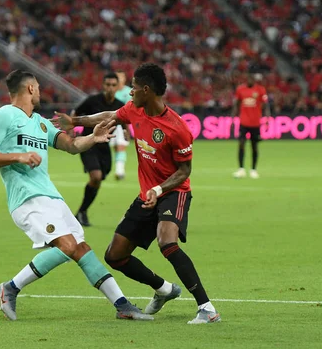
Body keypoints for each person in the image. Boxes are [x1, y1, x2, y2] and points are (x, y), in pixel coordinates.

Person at [0, 70, 152, 321]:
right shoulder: (3, 115)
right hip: (26, 198)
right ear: (29, 89)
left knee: (81, 248)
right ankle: (10, 288)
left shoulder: (40, 122)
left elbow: (71, 146)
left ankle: (122, 305)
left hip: (51, 197)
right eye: (37, 87)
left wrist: (93, 137)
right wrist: (19, 156)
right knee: (67, 246)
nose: (39, 91)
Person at [52, 63, 221, 324]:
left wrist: (158, 188)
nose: (129, 92)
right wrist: (74, 121)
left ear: (146, 89)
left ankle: (207, 308)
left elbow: (184, 171)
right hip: (147, 195)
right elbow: (109, 116)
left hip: (172, 192)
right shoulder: (135, 109)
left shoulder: (177, 128)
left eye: (133, 87)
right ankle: (164, 289)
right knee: (115, 255)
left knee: (167, 242)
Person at [72, 72, 125, 227]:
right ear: (103, 85)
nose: (110, 88)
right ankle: (82, 212)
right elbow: (75, 113)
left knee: (98, 180)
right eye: (107, 84)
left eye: (113, 85)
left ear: (117, 87)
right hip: (88, 144)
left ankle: (81, 212)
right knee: (96, 176)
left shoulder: (120, 104)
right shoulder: (92, 101)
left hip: (104, 147)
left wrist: (127, 131)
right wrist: (71, 129)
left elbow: (124, 120)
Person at [232, 73, 271, 179]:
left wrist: (267, 118)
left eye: (251, 79)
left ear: (254, 80)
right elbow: (237, 103)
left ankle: (253, 169)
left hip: (255, 123)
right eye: (248, 78)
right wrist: (233, 116)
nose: (249, 80)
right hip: (243, 122)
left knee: (254, 146)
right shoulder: (240, 89)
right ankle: (241, 169)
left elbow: (265, 105)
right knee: (241, 144)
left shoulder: (260, 90)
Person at [112, 70, 132, 180]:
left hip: (121, 123)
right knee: (115, 147)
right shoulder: (111, 91)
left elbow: (129, 111)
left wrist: (127, 128)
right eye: (117, 77)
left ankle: (120, 171)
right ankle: (117, 168)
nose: (119, 80)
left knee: (121, 146)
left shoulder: (128, 92)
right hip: (109, 123)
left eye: (121, 77)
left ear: (124, 79)